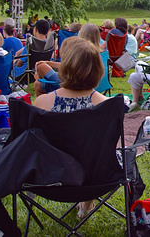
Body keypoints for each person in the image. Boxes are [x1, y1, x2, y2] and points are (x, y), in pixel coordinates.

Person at [33, 36, 109, 219]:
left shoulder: (42, 102)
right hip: (94, 180)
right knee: (95, 156)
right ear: (98, 69)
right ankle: (85, 207)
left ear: (65, 67)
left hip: (49, 178)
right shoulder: (108, 106)